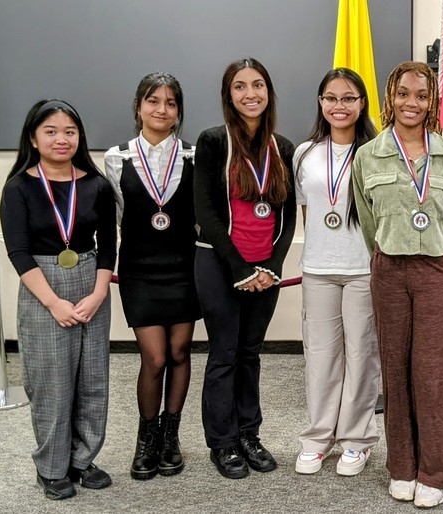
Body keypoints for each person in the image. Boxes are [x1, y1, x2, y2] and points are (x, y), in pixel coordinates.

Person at [352, 61, 443, 508]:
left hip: (435, 270)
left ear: (432, 101)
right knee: (395, 371)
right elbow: (368, 222)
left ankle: (434, 472)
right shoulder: (368, 155)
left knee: (433, 373)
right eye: (403, 94)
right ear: (389, 98)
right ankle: (401, 466)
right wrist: (385, 257)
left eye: (421, 95)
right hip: (389, 270)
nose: (411, 103)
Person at [0, 100, 116, 500]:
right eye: (50, 131)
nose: (61, 139)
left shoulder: (96, 184)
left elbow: (108, 246)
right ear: (33, 138)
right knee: (51, 382)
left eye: (69, 131)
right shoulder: (18, 187)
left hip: (91, 283)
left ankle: (82, 460)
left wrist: (99, 292)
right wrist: (53, 302)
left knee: (93, 379)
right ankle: (51, 468)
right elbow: (18, 252)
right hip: (43, 288)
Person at [193, 57, 296, 479]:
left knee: (251, 353)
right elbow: (205, 212)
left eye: (258, 85)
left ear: (268, 92)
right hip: (219, 264)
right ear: (228, 95)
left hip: (265, 271)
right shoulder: (213, 141)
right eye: (240, 86)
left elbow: (288, 217)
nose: (250, 94)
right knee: (225, 354)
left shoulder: (282, 148)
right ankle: (223, 442)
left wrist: (271, 266)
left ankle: (249, 434)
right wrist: (239, 268)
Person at [104, 72, 201, 480]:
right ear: (139, 106)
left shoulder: (195, 156)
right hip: (140, 269)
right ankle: (146, 437)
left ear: (178, 110)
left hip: (185, 268)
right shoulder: (117, 158)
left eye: (171, 103)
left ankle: (170, 436)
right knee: (155, 357)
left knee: (179, 352)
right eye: (153, 101)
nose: (162, 109)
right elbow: (115, 218)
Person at [293, 68, 379, 476]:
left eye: (348, 98)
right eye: (331, 98)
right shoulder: (304, 153)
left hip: (363, 268)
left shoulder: (376, 151)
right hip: (318, 269)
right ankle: (317, 438)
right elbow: (308, 212)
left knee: (361, 355)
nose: (338, 106)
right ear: (321, 102)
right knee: (321, 356)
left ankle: (356, 440)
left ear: (362, 103)